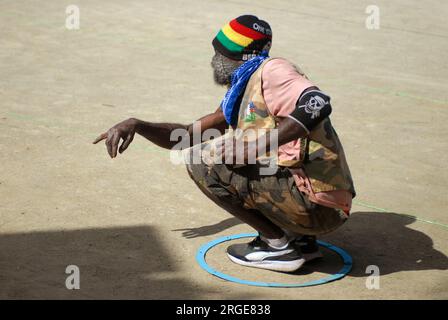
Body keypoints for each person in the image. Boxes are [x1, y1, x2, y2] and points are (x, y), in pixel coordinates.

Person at [93, 15, 355, 273]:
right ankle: (300, 239)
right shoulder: (243, 86)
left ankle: (278, 247)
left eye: (220, 54)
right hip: (322, 205)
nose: (214, 61)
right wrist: (138, 125)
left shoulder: (274, 71)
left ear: (242, 56)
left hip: (317, 205)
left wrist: (255, 147)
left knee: (202, 161)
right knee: (221, 151)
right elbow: (186, 136)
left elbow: (318, 102)